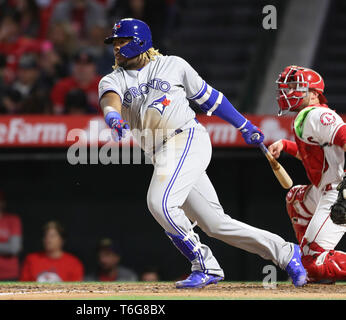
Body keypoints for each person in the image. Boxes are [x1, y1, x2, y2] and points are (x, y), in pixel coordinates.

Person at [98, 18, 307, 289]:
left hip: (186, 139)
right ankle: (286, 252)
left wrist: (243, 124)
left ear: (140, 41)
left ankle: (204, 264)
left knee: (160, 203)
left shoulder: (173, 65)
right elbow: (110, 100)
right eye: (114, 42)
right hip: (160, 153)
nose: (116, 47)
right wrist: (113, 117)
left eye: (121, 41)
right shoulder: (113, 78)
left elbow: (211, 98)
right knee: (216, 224)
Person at [267, 65, 346, 283]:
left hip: (340, 190)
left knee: (313, 262)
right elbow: (319, 156)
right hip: (327, 188)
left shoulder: (316, 114)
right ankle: (311, 259)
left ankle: (313, 260)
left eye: (294, 86)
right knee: (296, 199)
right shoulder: (307, 116)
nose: (287, 91)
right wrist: (286, 145)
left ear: (313, 94)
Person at [19, 221, 84, 282]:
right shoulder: (31, 259)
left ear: (62, 240)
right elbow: (23, 287)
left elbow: (76, 290)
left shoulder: (73, 263)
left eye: (52, 236)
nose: (48, 239)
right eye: (46, 236)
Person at [51, 49, 102, 114]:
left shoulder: (104, 86)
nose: (82, 67)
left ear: (94, 67)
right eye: (78, 63)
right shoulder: (62, 86)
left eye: (86, 64)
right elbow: (57, 114)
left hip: (98, 123)